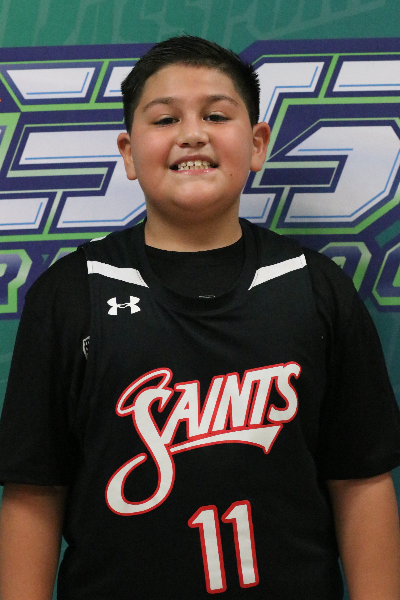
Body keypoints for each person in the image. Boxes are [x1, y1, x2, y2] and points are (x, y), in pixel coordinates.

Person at [0, 35, 399, 600]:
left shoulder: (312, 286)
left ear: (257, 144)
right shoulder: (71, 294)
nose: (192, 134)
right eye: (165, 119)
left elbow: (361, 480)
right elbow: (33, 492)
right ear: (128, 152)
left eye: (216, 115)